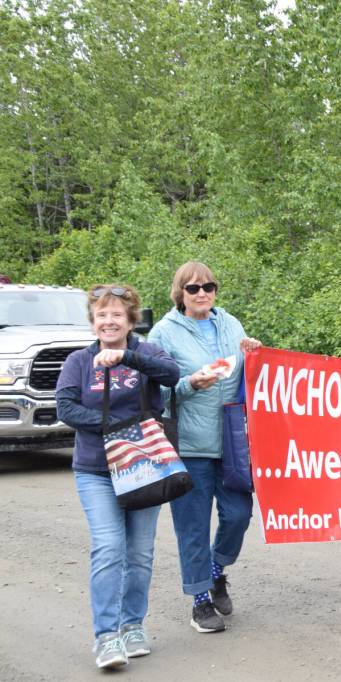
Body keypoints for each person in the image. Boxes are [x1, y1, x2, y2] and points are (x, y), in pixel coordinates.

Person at [56, 284, 180, 668]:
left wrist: (126, 356)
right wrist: (112, 424)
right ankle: (106, 636)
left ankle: (133, 625)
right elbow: (66, 406)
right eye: (102, 315)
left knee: (140, 553)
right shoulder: (78, 361)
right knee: (110, 547)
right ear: (93, 322)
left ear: (130, 321)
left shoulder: (145, 353)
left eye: (116, 315)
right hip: (96, 469)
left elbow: (173, 375)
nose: (109, 321)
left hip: (145, 466)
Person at [148, 261, 262, 633]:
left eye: (208, 286)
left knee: (238, 514)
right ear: (179, 292)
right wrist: (188, 385)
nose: (202, 294)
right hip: (188, 444)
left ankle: (216, 572)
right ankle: (199, 601)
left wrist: (256, 354)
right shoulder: (163, 333)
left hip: (232, 441)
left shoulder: (231, 324)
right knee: (193, 526)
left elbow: (249, 373)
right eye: (193, 288)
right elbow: (154, 392)